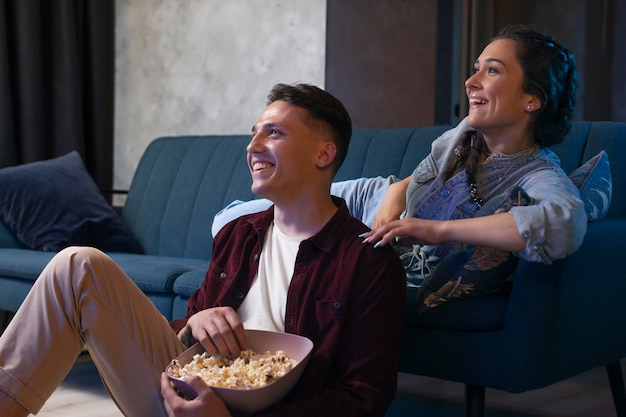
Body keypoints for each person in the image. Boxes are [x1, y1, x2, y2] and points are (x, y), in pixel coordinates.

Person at [0, 84, 406, 417]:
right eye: (254, 133)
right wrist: (196, 323)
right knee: (78, 263)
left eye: (274, 133)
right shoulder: (237, 233)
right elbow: (192, 330)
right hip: (183, 395)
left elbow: (363, 399)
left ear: (323, 154)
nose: (253, 146)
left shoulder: (368, 260)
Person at [213, 25, 587, 310]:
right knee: (227, 225)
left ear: (533, 100)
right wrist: (396, 192)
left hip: (381, 238)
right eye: (476, 69)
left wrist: (436, 230)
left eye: (492, 71)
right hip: (366, 202)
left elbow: (563, 224)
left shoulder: (539, 176)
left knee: (243, 233)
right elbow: (424, 181)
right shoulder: (466, 133)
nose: (471, 81)